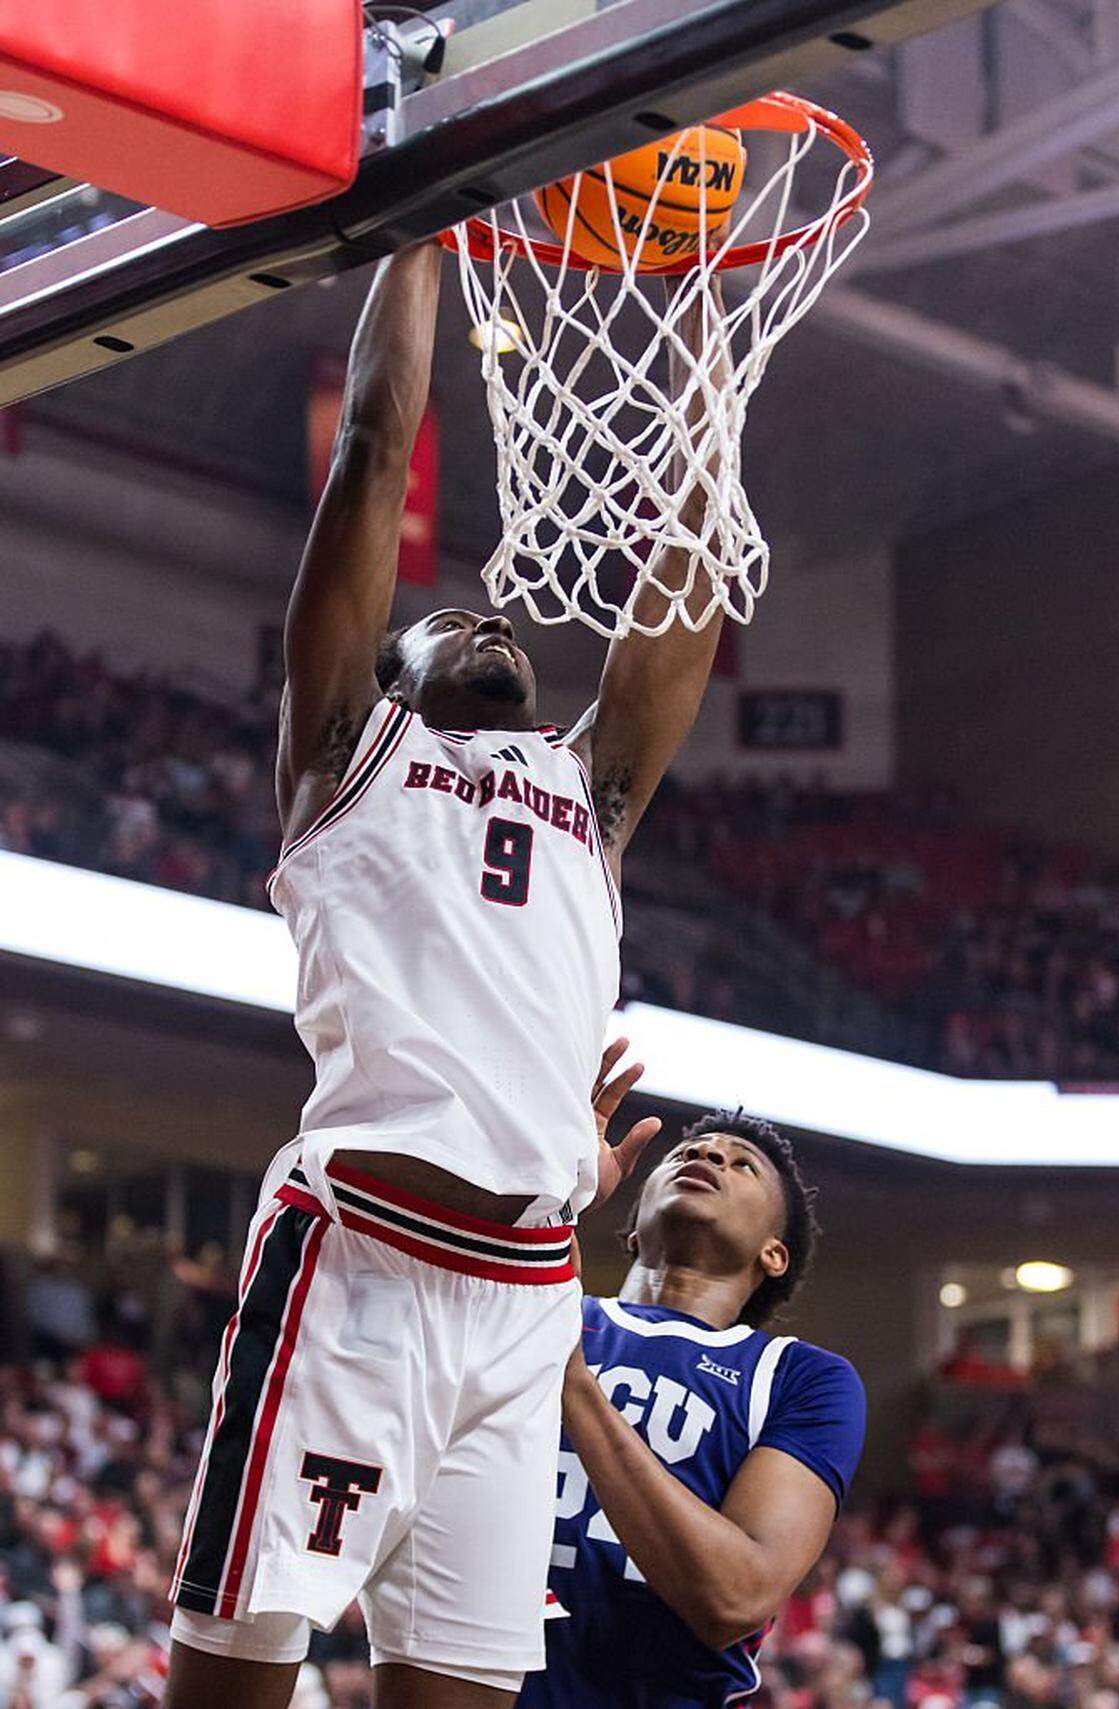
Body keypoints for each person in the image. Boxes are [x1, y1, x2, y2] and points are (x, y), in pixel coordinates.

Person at [165, 240, 734, 1709]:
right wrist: (422, 233)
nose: (483, 612)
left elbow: (682, 598)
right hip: (359, 1260)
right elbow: (368, 451)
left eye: (500, 618)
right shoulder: (348, 754)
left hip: (528, 1297)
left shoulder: (589, 787)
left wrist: (710, 351)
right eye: (443, 618)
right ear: (387, 672)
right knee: (230, 1678)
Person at [519, 1057, 865, 1709]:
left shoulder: (800, 1376)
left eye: (743, 1164)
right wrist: (544, 1192)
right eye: (694, 1149)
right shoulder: (543, 1303)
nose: (709, 1152)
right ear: (631, 1226)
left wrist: (576, 1387)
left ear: (774, 1251)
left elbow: (733, 1595)